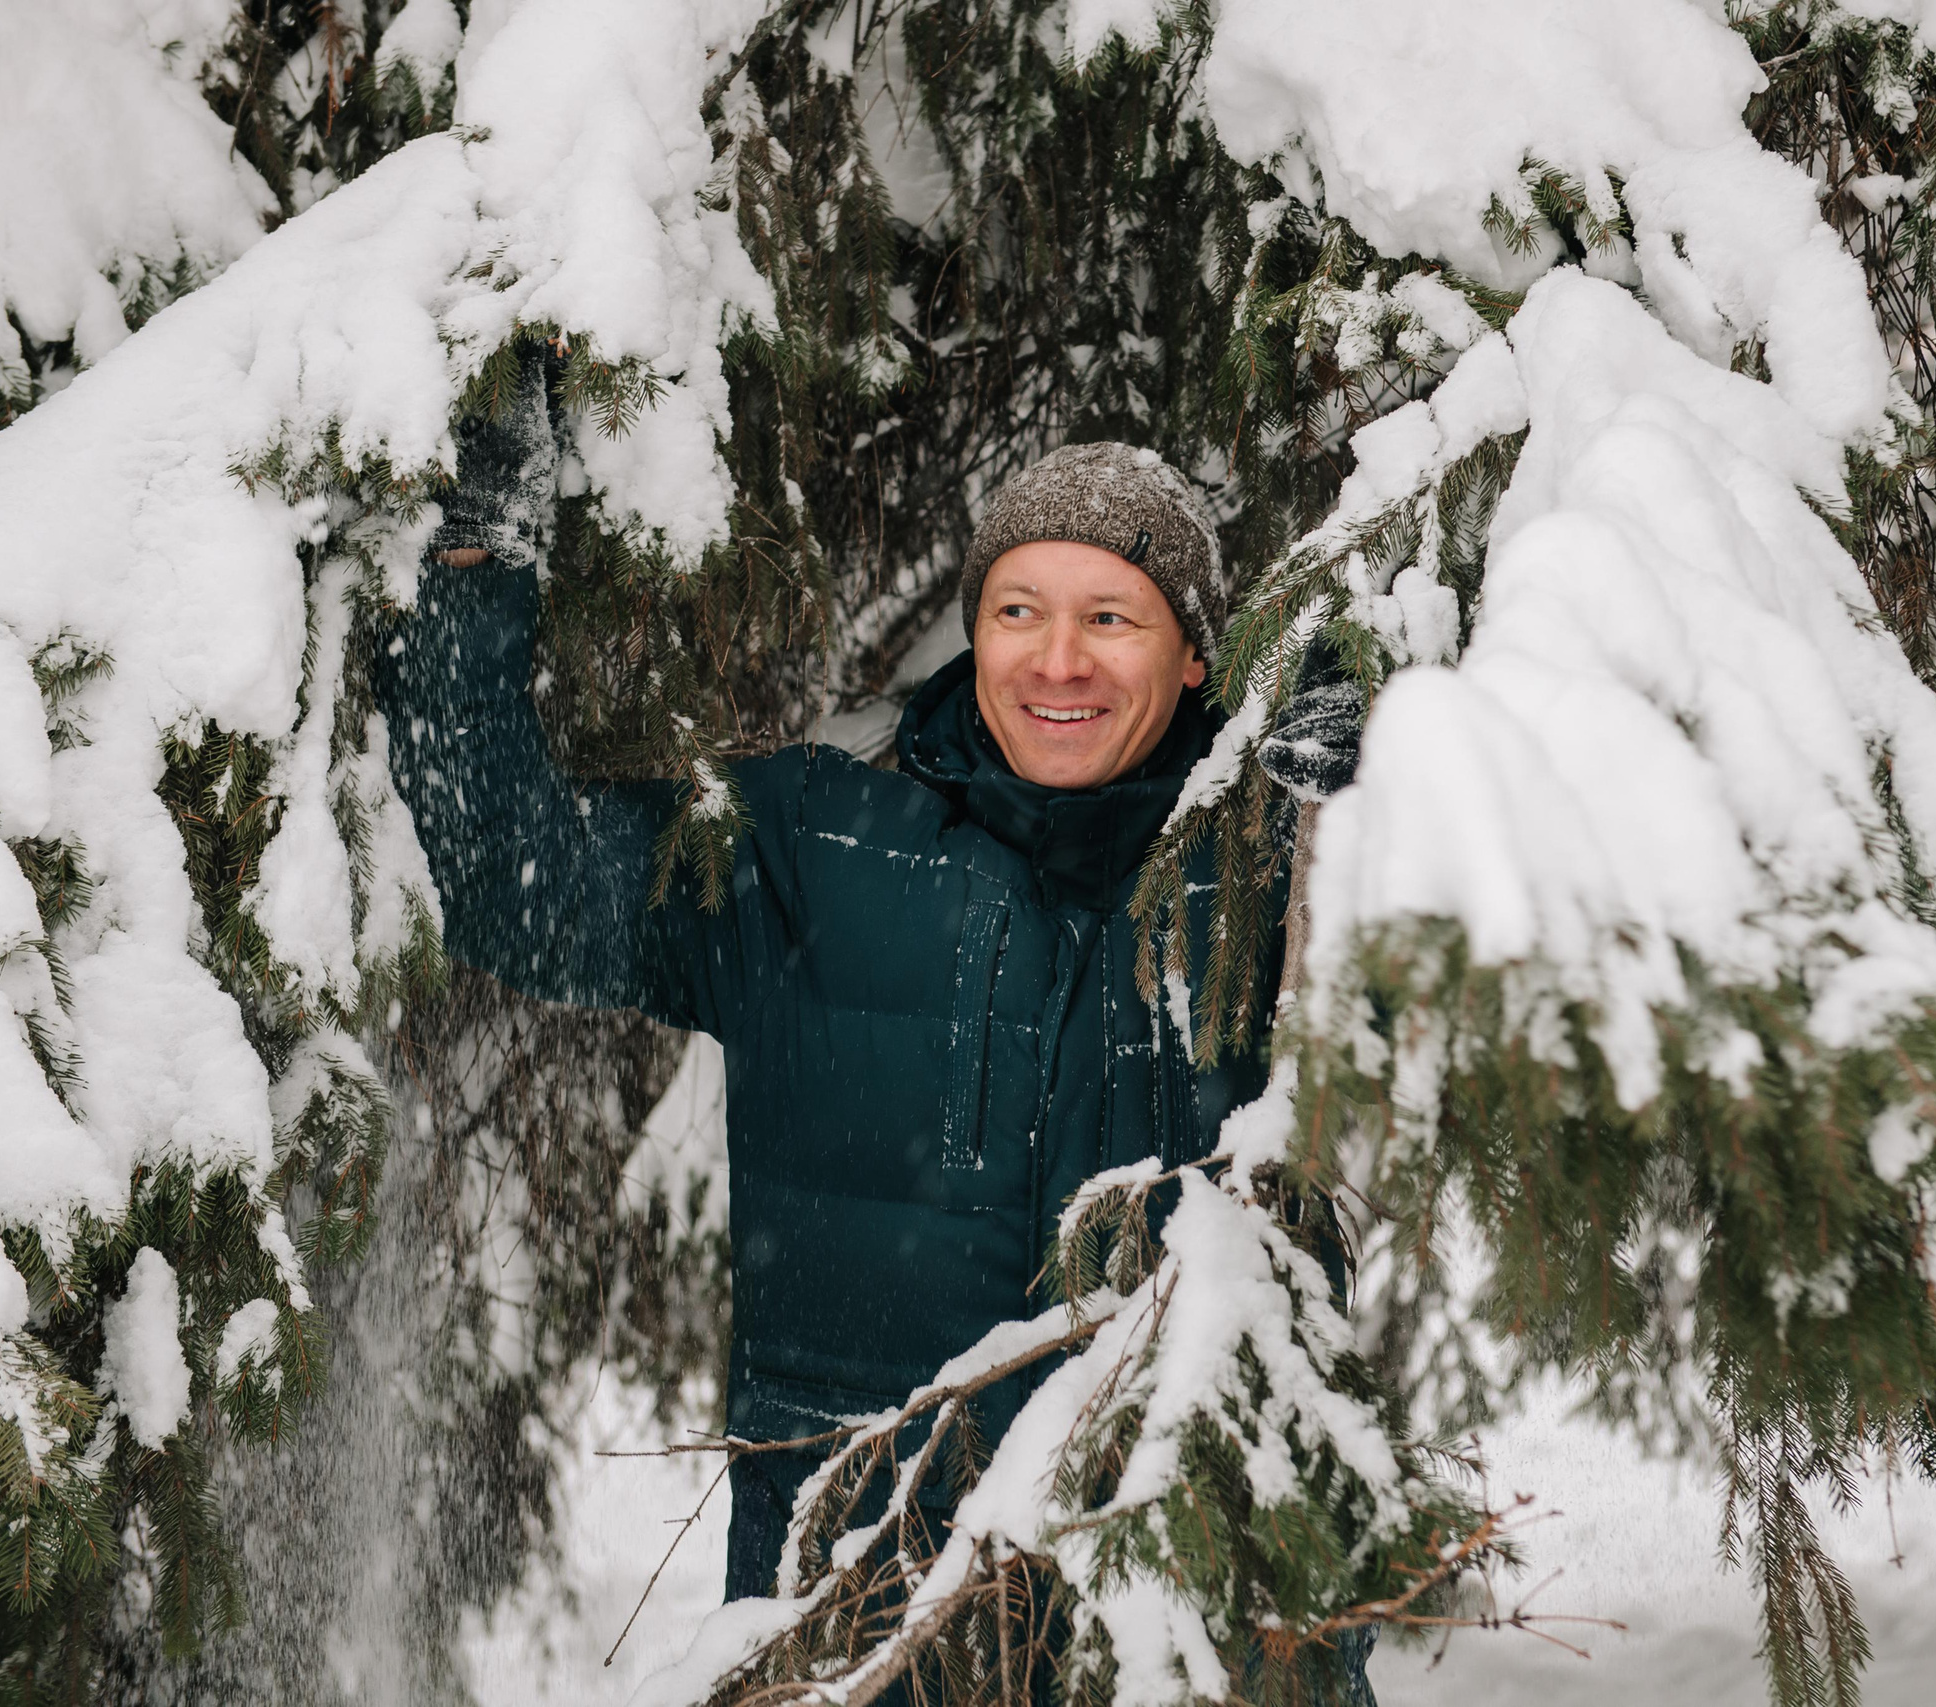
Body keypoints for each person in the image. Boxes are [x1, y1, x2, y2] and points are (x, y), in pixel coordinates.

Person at [374, 362, 1361, 1670]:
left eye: (1112, 618)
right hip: (860, 1614)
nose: (1058, 659)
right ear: (976, 632)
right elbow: (513, 881)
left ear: (1192, 656)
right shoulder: (811, 843)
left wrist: (1377, 769)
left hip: (1191, 1623)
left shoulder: (1282, 860)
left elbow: (1545, 1024)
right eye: (1019, 610)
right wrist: (471, 553)